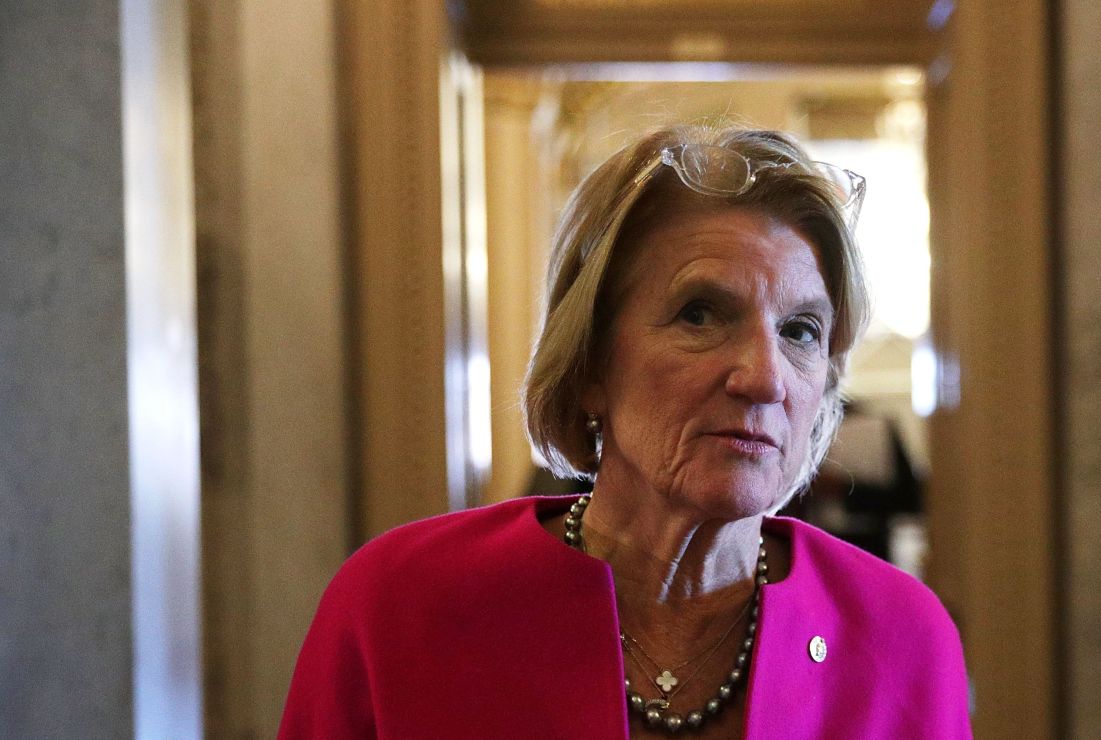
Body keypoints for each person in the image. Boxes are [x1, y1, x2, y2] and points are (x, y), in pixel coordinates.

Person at [278, 125, 972, 739]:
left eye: (800, 331)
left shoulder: (900, 636)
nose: (765, 379)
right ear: (589, 364)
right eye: (700, 315)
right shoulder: (399, 607)